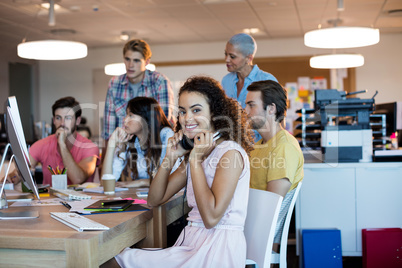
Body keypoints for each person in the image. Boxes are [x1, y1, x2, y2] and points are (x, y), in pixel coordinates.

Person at [102, 76, 254, 268]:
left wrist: (195, 160)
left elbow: (211, 218)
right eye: (182, 111)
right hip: (191, 243)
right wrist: (170, 157)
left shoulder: (229, 153)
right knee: (112, 259)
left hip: (217, 250)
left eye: (196, 110)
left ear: (214, 113)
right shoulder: (197, 152)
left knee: (115, 261)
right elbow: (155, 199)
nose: (186, 118)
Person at [245, 80, 304, 250]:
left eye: (251, 105)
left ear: (271, 108)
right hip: (248, 223)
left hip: (259, 233)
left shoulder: (284, 147)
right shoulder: (259, 145)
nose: (245, 111)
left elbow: (270, 207)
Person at [103, 39, 175, 142]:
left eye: (136, 60)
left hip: (154, 145)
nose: (130, 65)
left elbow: (162, 121)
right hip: (123, 147)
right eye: (127, 59)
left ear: (146, 62)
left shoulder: (160, 82)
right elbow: (109, 129)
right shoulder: (114, 83)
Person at [101, 97, 174, 187]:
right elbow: (106, 181)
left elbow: (171, 178)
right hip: (142, 198)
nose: (125, 120)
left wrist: (141, 182)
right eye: (126, 115)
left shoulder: (166, 134)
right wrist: (111, 144)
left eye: (131, 115)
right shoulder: (130, 139)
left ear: (146, 118)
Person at [29, 97, 100, 186]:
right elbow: (24, 170)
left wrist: (62, 144)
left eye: (68, 118)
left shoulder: (90, 147)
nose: (62, 123)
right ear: (54, 121)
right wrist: (14, 176)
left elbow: (78, 179)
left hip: (81, 199)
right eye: (58, 118)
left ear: (77, 121)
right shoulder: (42, 144)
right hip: (50, 199)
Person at [222, 33, 278, 109]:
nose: (227, 59)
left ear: (249, 58)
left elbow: (279, 115)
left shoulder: (267, 80)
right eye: (226, 54)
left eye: (232, 56)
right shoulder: (226, 81)